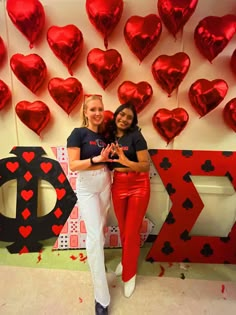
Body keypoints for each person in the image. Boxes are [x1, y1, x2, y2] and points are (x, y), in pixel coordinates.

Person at [67, 94, 113, 315]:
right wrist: (96, 159)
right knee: (94, 236)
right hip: (87, 188)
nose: (97, 113)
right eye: (92, 109)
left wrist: (110, 158)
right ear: (85, 112)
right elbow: (74, 165)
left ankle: (98, 262)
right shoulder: (78, 134)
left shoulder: (104, 137)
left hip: (105, 185)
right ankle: (101, 299)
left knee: (100, 231)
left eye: (100, 109)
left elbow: (108, 162)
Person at [107, 102, 151, 298]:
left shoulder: (136, 137)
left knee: (132, 232)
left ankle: (129, 275)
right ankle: (126, 261)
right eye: (121, 115)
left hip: (138, 186)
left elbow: (144, 166)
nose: (124, 119)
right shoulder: (108, 136)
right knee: (125, 230)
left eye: (129, 117)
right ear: (116, 115)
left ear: (133, 122)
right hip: (118, 185)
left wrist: (124, 161)